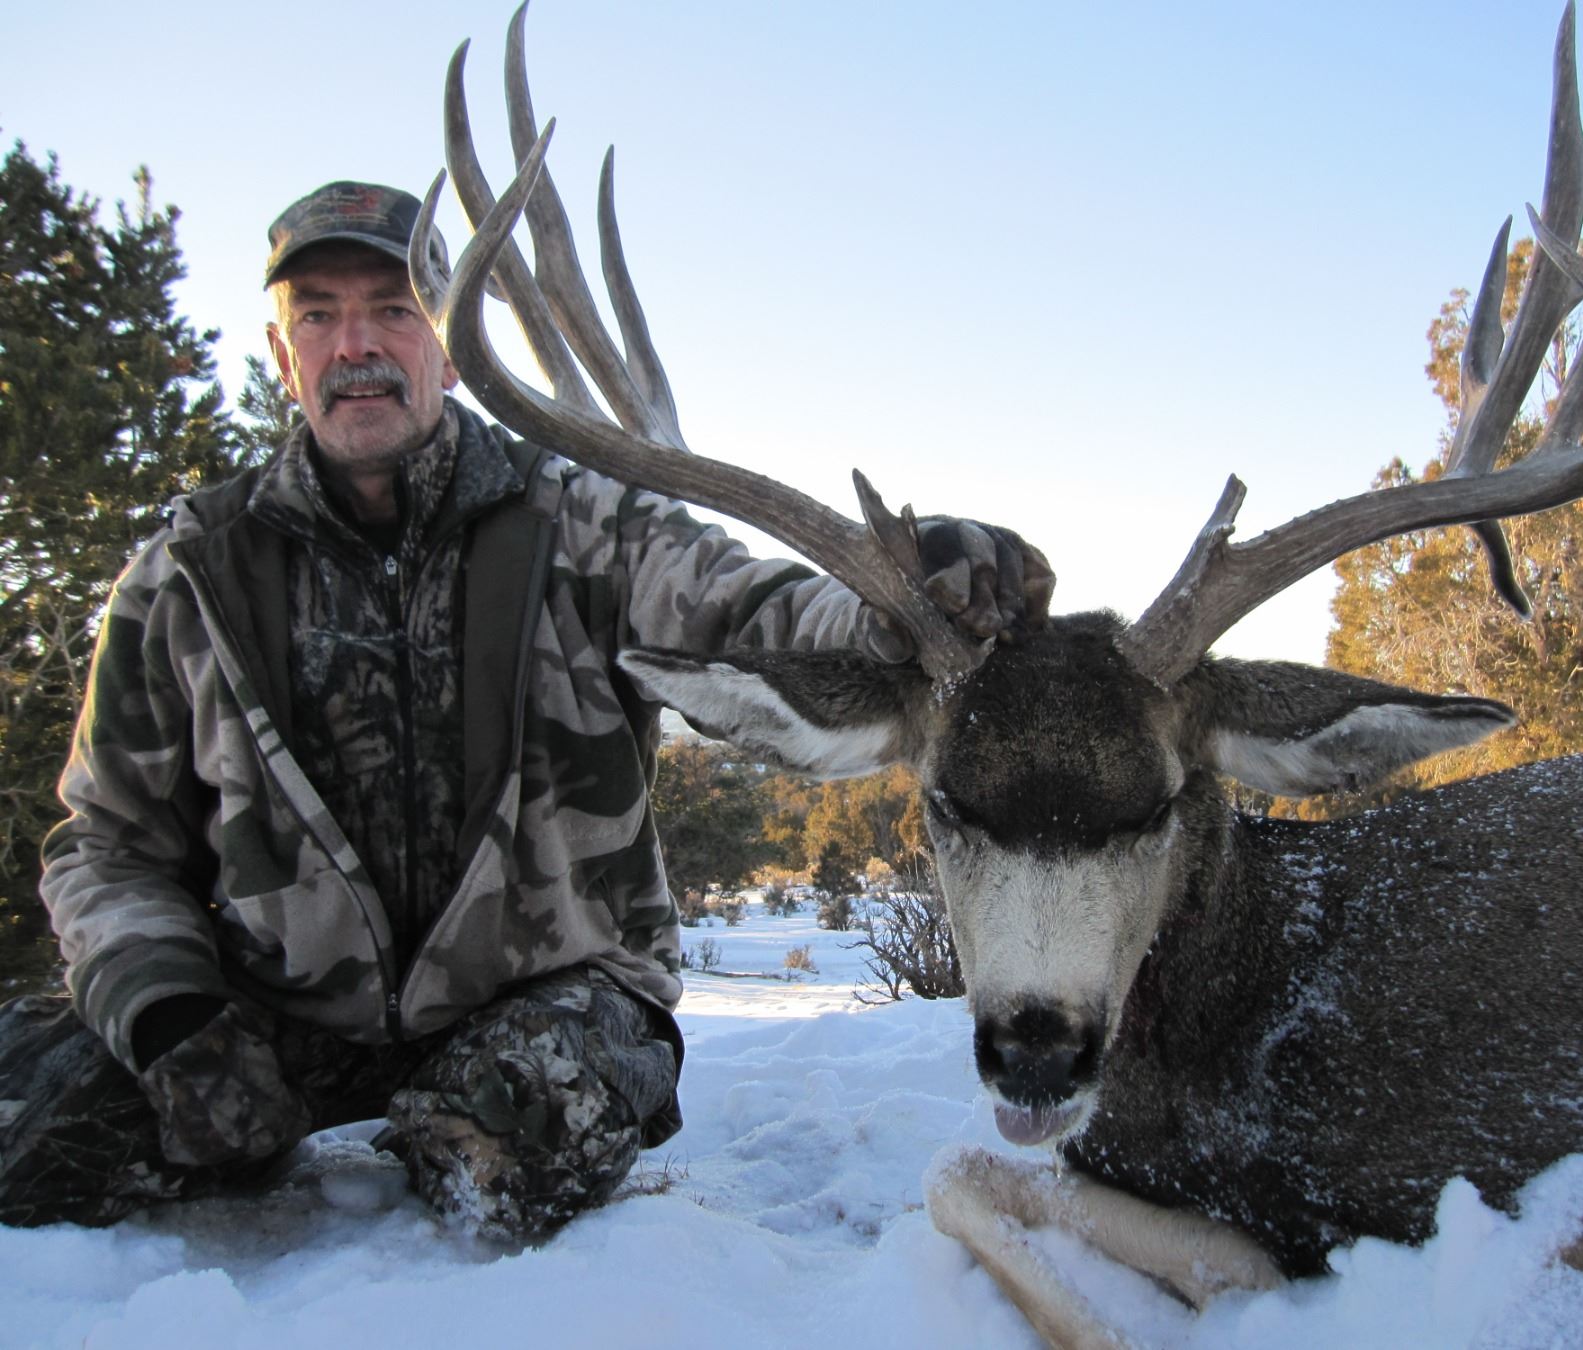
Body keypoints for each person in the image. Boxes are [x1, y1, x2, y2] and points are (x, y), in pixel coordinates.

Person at [0, 180, 1053, 1238]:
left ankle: (468, 1132)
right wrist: (169, 1011)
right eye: (318, 314)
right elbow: (106, 842)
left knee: (522, 1133)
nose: (356, 345)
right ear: (283, 356)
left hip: (544, 997)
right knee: (29, 1131)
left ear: (451, 349)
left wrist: (897, 595)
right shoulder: (189, 572)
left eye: (395, 308)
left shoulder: (585, 522)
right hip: (276, 1013)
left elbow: (746, 613)